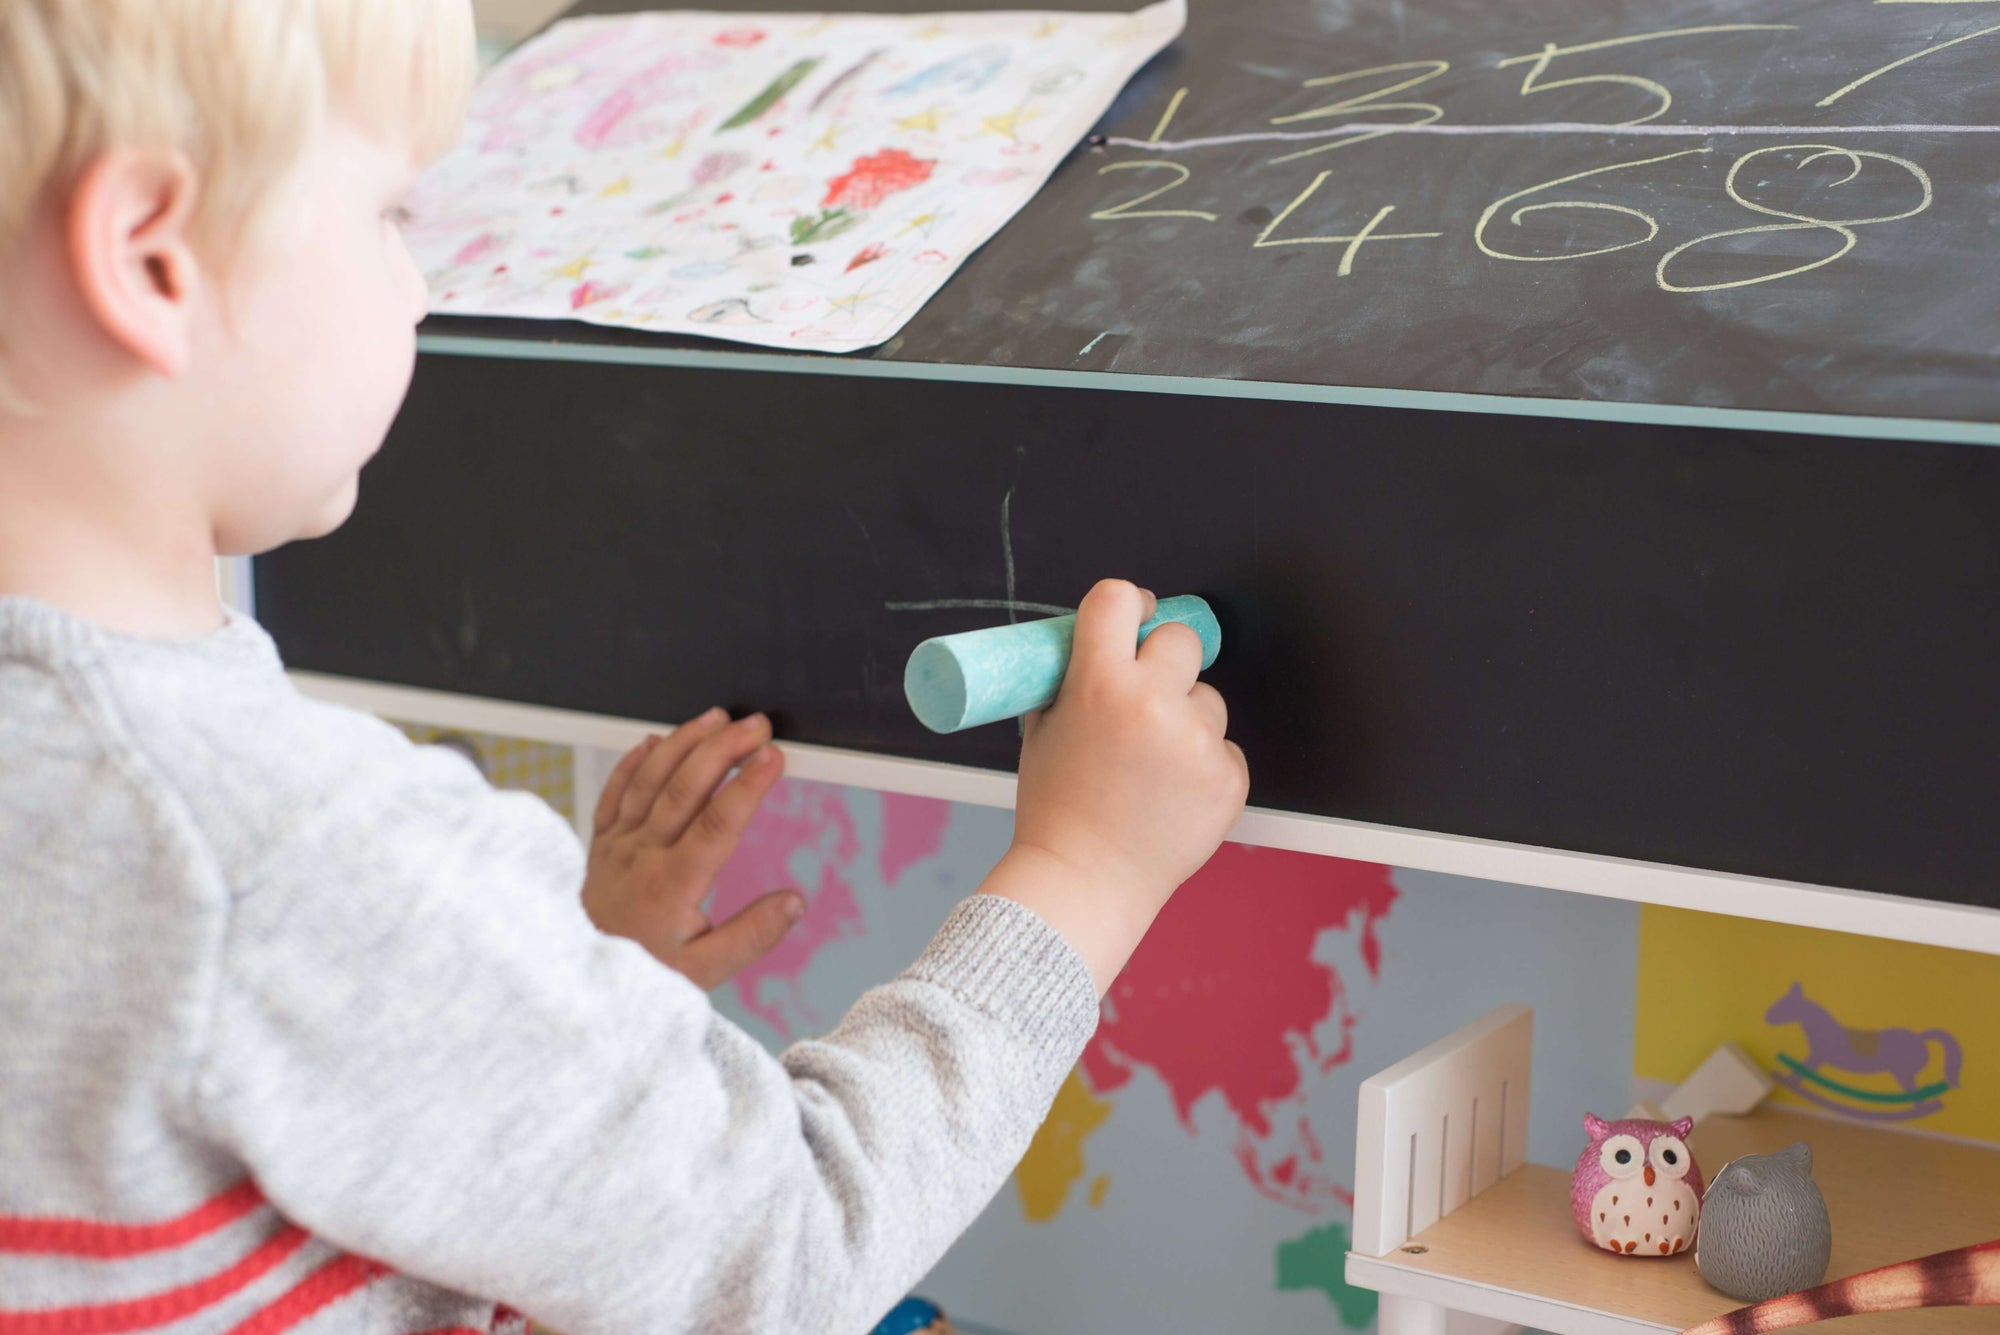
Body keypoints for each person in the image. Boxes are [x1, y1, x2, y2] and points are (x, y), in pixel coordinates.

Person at [0, 3, 1250, 1332]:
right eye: (389, 217)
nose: (422, 285)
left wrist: (568, 980)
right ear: (149, 261)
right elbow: (784, 1252)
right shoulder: (286, 857)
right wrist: (1087, 867)